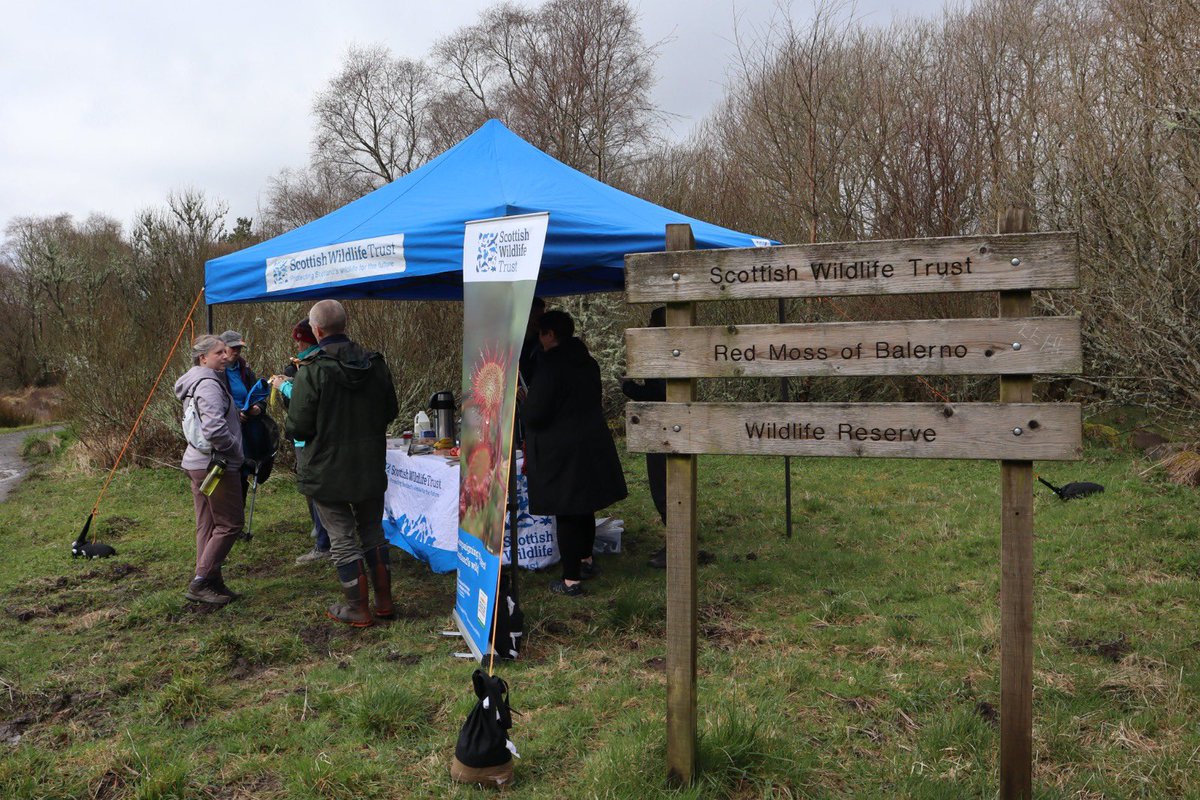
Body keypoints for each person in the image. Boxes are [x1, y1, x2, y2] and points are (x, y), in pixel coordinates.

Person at [284, 299, 399, 626]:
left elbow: (298, 426)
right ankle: (385, 602)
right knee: (373, 532)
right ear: (344, 326)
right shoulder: (375, 363)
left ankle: (358, 608)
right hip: (368, 464)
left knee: (343, 538)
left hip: (326, 469)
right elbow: (390, 411)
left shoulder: (312, 371)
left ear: (317, 330)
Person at [522, 309, 627, 596]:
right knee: (584, 506)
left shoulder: (551, 366)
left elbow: (536, 415)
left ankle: (570, 579)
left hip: (562, 449)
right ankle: (586, 560)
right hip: (590, 442)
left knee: (567, 512)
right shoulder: (587, 361)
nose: (539, 340)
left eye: (541, 333)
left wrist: (525, 401)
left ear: (550, 335)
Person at [173, 334, 246, 605]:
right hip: (216, 464)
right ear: (203, 358)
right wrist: (237, 450)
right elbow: (215, 429)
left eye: (225, 352)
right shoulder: (208, 384)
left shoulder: (195, 382)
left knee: (207, 524)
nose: (226, 357)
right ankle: (201, 581)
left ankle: (212, 580)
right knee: (230, 524)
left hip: (197, 462)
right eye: (219, 353)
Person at [269, 318, 331, 564]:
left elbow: (305, 401)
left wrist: (284, 386)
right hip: (309, 439)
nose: (298, 347)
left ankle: (325, 544)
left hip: (313, 440)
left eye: (301, 341)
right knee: (314, 489)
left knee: (317, 488)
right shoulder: (300, 365)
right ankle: (321, 532)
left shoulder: (316, 365)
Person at [621, 306, 668, 569]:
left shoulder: (662, 354)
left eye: (652, 321)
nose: (648, 325)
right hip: (670, 427)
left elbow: (657, 394)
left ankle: (678, 544)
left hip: (662, 429)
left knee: (664, 490)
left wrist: (629, 387)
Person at [218, 330, 267, 502]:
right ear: (222, 348)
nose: (237, 351)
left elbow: (259, 395)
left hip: (247, 430)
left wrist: (258, 408)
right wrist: (234, 415)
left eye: (239, 347)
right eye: (233, 347)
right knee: (231, 473)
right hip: (227, 432)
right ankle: (230, 522)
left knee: (243, 473)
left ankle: (238, 517)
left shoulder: (245, 370)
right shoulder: (216, 372)